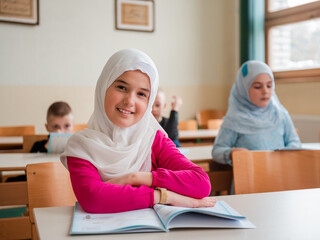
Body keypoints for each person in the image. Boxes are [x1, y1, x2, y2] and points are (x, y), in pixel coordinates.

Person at [60, 49, 215, 214]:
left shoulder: (153, 139)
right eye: (121, 87)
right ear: (104, 86)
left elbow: (201, 184)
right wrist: (164, 196)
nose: (129, 101)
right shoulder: (82, 147)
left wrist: (134, 178)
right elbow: (94, 199)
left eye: (141, 94)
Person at [212, 60, 301, 165]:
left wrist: (289, 150)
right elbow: (217, 151)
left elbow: (295, 142)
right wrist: (231, 153)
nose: (265, 91)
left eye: (269, 86)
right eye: (257, 87)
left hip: (280, 176)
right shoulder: (234, 119)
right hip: (248, 177)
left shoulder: (280, 115)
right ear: (243, 88)